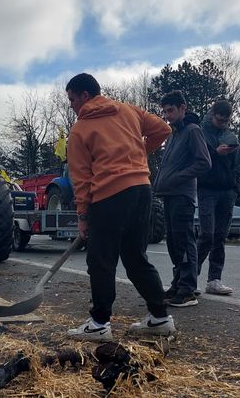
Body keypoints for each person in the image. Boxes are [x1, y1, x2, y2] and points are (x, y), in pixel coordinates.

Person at [64, 73, 175, 341]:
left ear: (85, 96)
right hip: (141, 190)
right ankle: (160, 317)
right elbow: (163, 129)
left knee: (101, 261)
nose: (71, 105)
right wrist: (136, 154)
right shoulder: (129, 111)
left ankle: (100, 323)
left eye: (72, 99)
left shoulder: (80, 130)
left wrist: (82, 215)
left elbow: (80, 178)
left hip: (109, 196)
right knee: (136, 257)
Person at [154, 90, 211, 307]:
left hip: (182, 195)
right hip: (169, 194)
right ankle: (178, 283)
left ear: (183, 108)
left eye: (171, 110)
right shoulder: (175, 134)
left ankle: (188, 290)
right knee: (174, 243)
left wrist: (178, 178)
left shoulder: (192, 130)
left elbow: (204, 162)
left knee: (185, 242)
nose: (167, 115)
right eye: (165, 111)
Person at [197, 100, 240, 295]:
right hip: (207, 190)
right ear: (212, 114)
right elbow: (197, 161)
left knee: (220, 238)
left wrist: (236, 190)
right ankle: (188, 277)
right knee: (207, 235)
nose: (222, 123)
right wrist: (215, 153)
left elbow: (237, 167)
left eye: (226, 121)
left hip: (227, 192)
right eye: (219, 120)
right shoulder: (200, 133)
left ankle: (214, 280)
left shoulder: (231, 137)